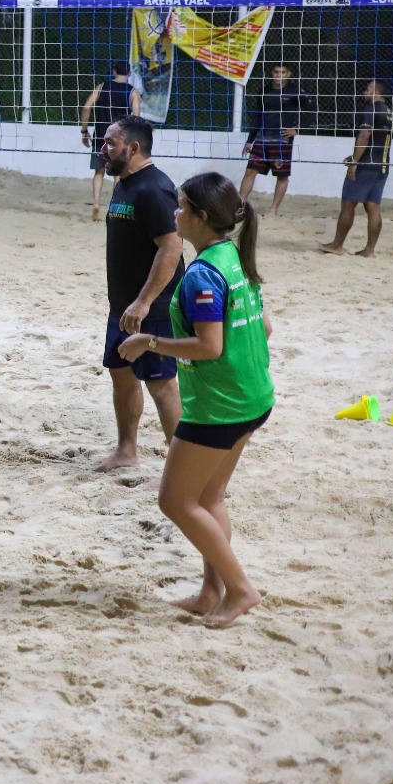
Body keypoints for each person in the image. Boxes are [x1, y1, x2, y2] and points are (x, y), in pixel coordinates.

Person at [118, 172, 272, 628]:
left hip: (219, 406)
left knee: (175, 501)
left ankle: (240, 589)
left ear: (202, 218)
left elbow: (209, 347)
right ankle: (212, 591)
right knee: (209, 496)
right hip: (253, 396)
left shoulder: (201, 274)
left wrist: (150, 341)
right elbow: (265, 329)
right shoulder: (234, 257)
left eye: (181, 207)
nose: (174, 213)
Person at [98, 115, 184, 472]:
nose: (103, 149)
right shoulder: (124, 183)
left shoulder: (156, 188)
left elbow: (172, 247)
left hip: (153, 309)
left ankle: (181, 470)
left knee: (161, 385)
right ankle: (126, 452)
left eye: (110, 143)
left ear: (133, 148)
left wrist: (144, 301)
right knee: (121, 373)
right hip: (123, 306)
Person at [321, 79, 393, 258]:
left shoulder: (371, 109)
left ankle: (337, 245)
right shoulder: (390, 112)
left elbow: (364, 136)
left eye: (368, 89)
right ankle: (369, 250)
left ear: (377, 92)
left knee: (348, 203)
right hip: (382, 165)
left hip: (366, 165)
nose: (364, 93)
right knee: (373, 207)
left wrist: (355, 161)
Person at [239, 63, 311, 217]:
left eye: (282, 72)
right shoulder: (264, 90)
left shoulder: (295, 92)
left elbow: (312, 112)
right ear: (272, 73)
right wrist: (250, 140)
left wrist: (297, 130)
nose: (279, 75)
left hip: (282, 139)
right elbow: (257, 116)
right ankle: (240, 205)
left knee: (282, 175)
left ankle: (273, 210)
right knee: (250, 170)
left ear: (289, 74)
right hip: (262, 138)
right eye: (276, 72)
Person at [79, 62, 141, 221]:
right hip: (121, 139)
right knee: (118, 175)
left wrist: (84, 131)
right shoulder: (133, 92)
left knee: (98, 172)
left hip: (101, 136)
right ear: (129, 73)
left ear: (114, 71)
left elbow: (86, 108)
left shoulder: (102, 87)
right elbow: (136, 118)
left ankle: (96, 204)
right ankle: (113, 208)